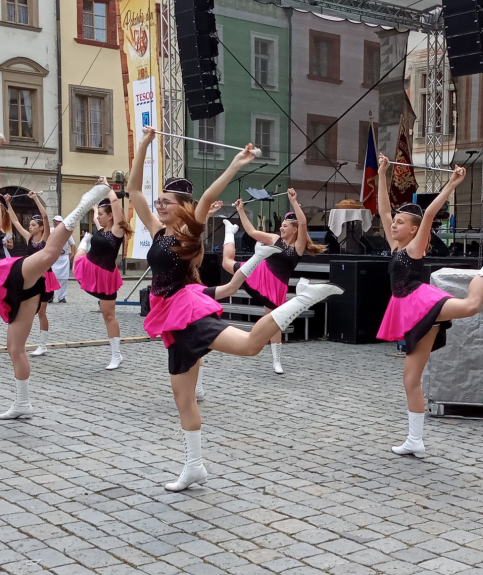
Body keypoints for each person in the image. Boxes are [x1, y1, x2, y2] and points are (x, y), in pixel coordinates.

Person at [130, 127, 343, 491]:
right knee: (183, 398)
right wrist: (144, 146)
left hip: (185, 310)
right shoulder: (158, 229)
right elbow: (134, 190)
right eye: (160, 200)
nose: (159, 204)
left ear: (183, 207)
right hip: (171, 315)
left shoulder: (189, 232)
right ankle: (194, 466)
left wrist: (234, 166)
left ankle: (302, 298)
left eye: (167, 201)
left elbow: (208, 196)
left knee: (248, 346)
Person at [374, 153, 483, 459]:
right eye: (395, 221)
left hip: (420, 302)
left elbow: (428, 214)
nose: (393, 224)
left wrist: (452, 183)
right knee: (410, 380)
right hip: (409, 310)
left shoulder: (415, 246)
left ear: (414, 230)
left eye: (400, 223)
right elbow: (383, 209)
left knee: (471, 306)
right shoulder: (395, 246)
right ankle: (414, 440)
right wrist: (381, 174)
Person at [0, 134, 108, 419]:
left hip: (5, 274)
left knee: (47, 255)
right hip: (7, 289)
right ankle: (23, 403)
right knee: (14, 347)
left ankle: (80, 209)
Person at [220, 188, 325, 374]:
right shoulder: (275, 239)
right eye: (282, 225)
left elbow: (303, 222)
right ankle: (230, 232)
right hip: (258, 273)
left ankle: (277, 360)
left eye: (286, 225)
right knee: (226, 262)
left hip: (276, 285)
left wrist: (294, 201)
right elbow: (252, 231)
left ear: (294, 229)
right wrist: (242, 211)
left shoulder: (298, 247)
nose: (282, 227)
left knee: (273, 320)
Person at [73, 180, 132, 369]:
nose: (98, 217)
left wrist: (108, 188)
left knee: (108, 316)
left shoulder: (117, 230)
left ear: (111, 217)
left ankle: (116, 355)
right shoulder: (103, 228)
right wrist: (95, 205)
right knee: (78, 257)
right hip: (89, 266)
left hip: (106, 276)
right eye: (97, 214)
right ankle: (85, 241)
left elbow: (115, 205)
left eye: (100, 214)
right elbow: (98, 218)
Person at [22, 197, 59, 357]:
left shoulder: (45, 239)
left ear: (41, 228)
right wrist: (8, 204)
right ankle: (22, 341)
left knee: (41, 311)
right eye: (29, 225)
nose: (30, 227)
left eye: (33, 225)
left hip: (46, 278)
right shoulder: (28, 239)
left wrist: (35, 198)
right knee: (31, 311)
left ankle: (42, 345)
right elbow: (15, 222)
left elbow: (45, 216)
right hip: (33, 278)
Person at [51, 215, 74, 303]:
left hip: (64, 257)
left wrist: (73, 254)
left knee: (63, 278)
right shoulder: (50, 231)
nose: (55, 222)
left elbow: (72, 244)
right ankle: (50, 296)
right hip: (53, 256)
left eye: (57, 221)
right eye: (54, 221)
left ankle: (62, 297)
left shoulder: (66, 232)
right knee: (52, 277)